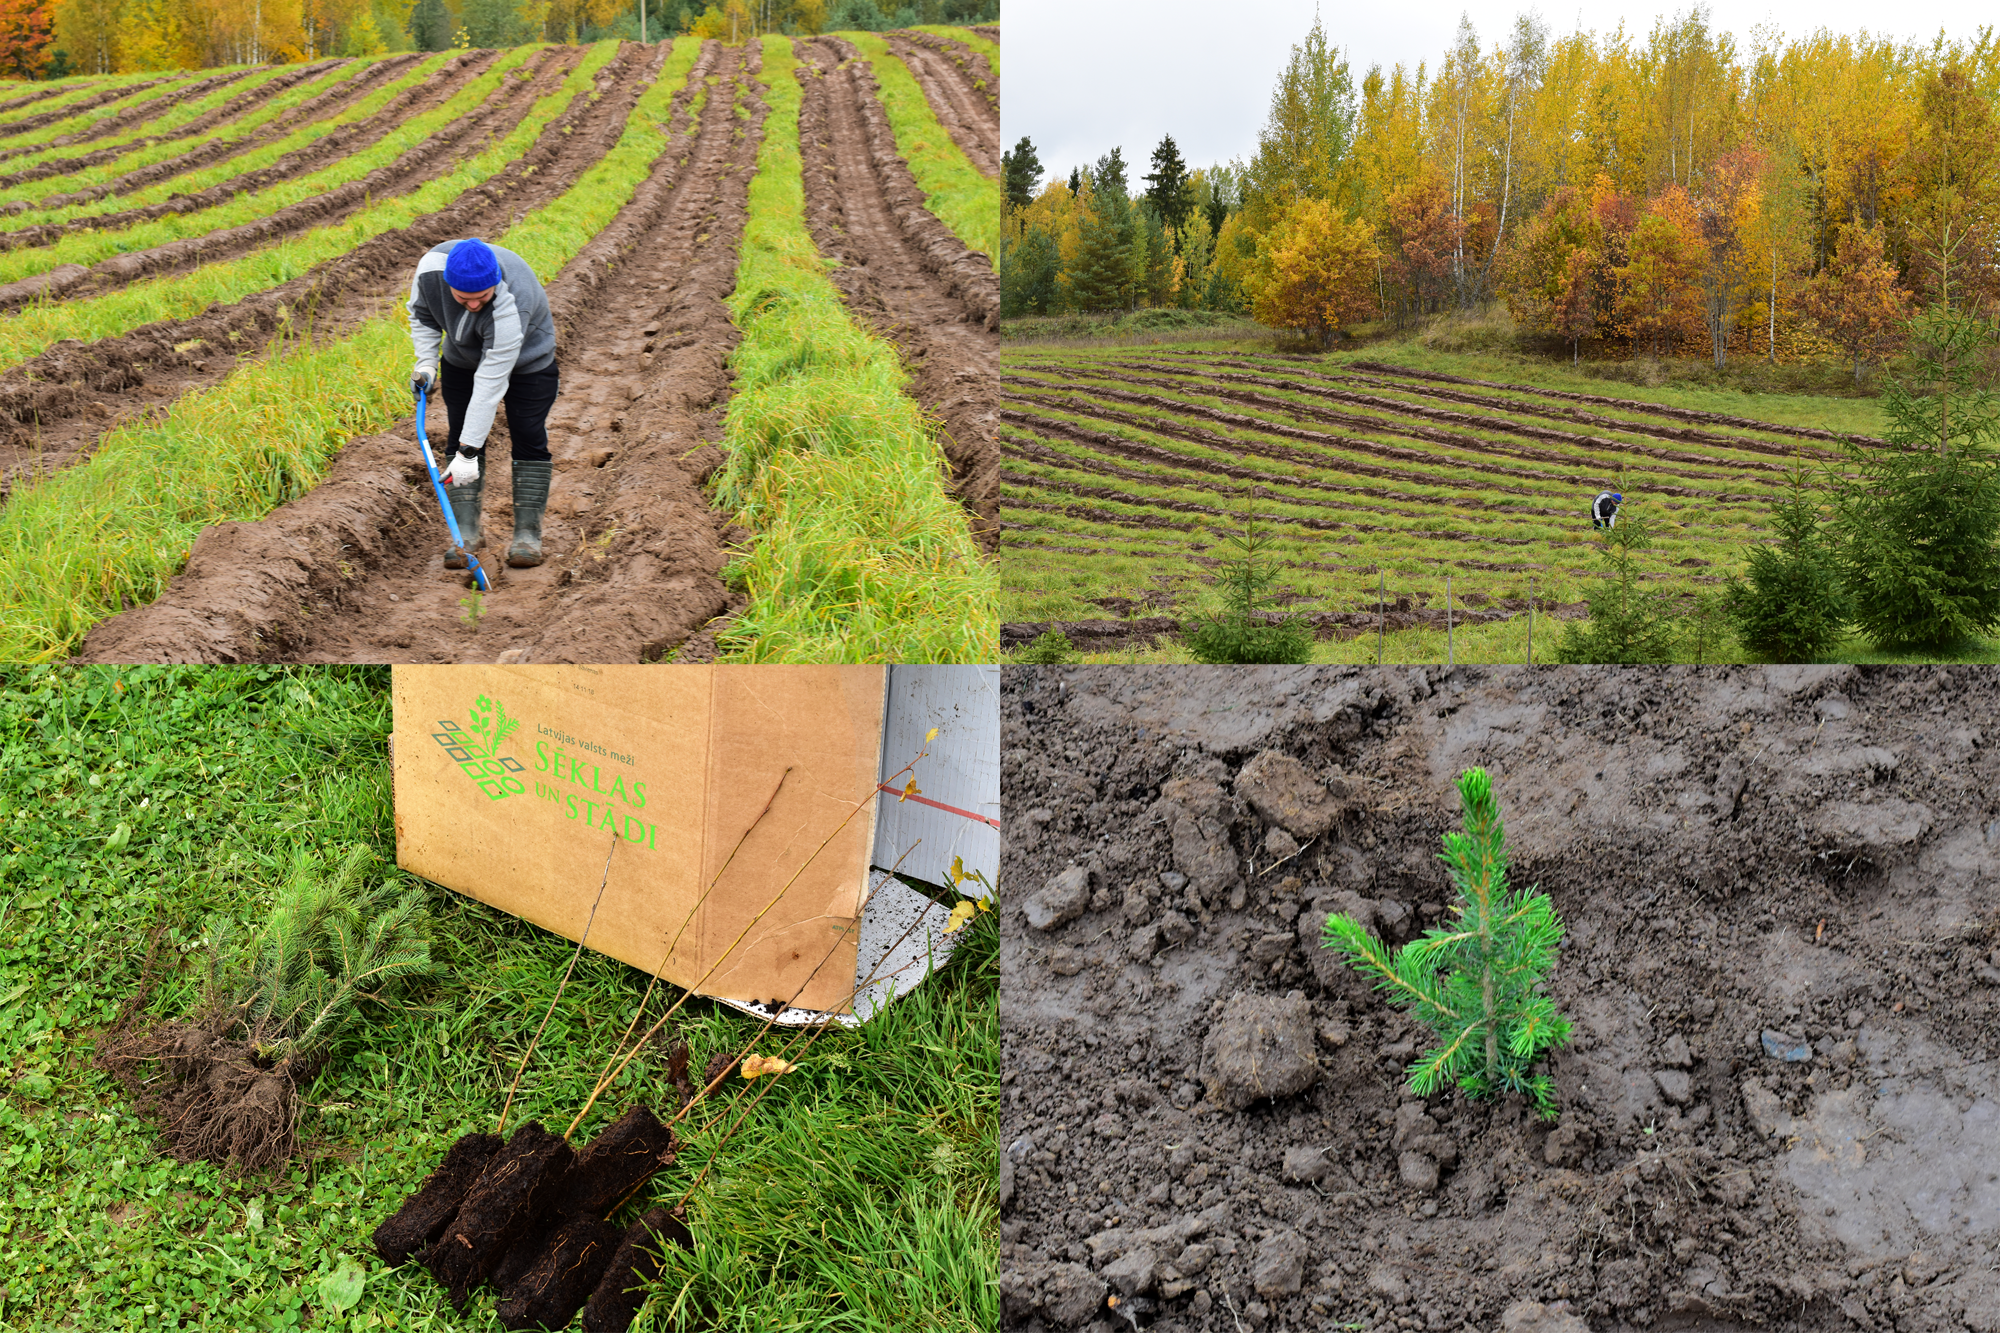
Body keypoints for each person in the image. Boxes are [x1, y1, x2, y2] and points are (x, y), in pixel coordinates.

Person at [408, 237, 559, 569]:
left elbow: (490, 384)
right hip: (461, 360)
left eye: (482, 297)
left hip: (529, 363)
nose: (474, 305)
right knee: (459, 430)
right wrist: (426, 363)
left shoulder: (512, 302)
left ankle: (527, 535)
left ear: (495, 284)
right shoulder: (430, 271)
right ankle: (467, 533)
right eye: (464, 298)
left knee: (528, 433)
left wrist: (468, 452)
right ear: (448, 282)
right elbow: (423, 316)